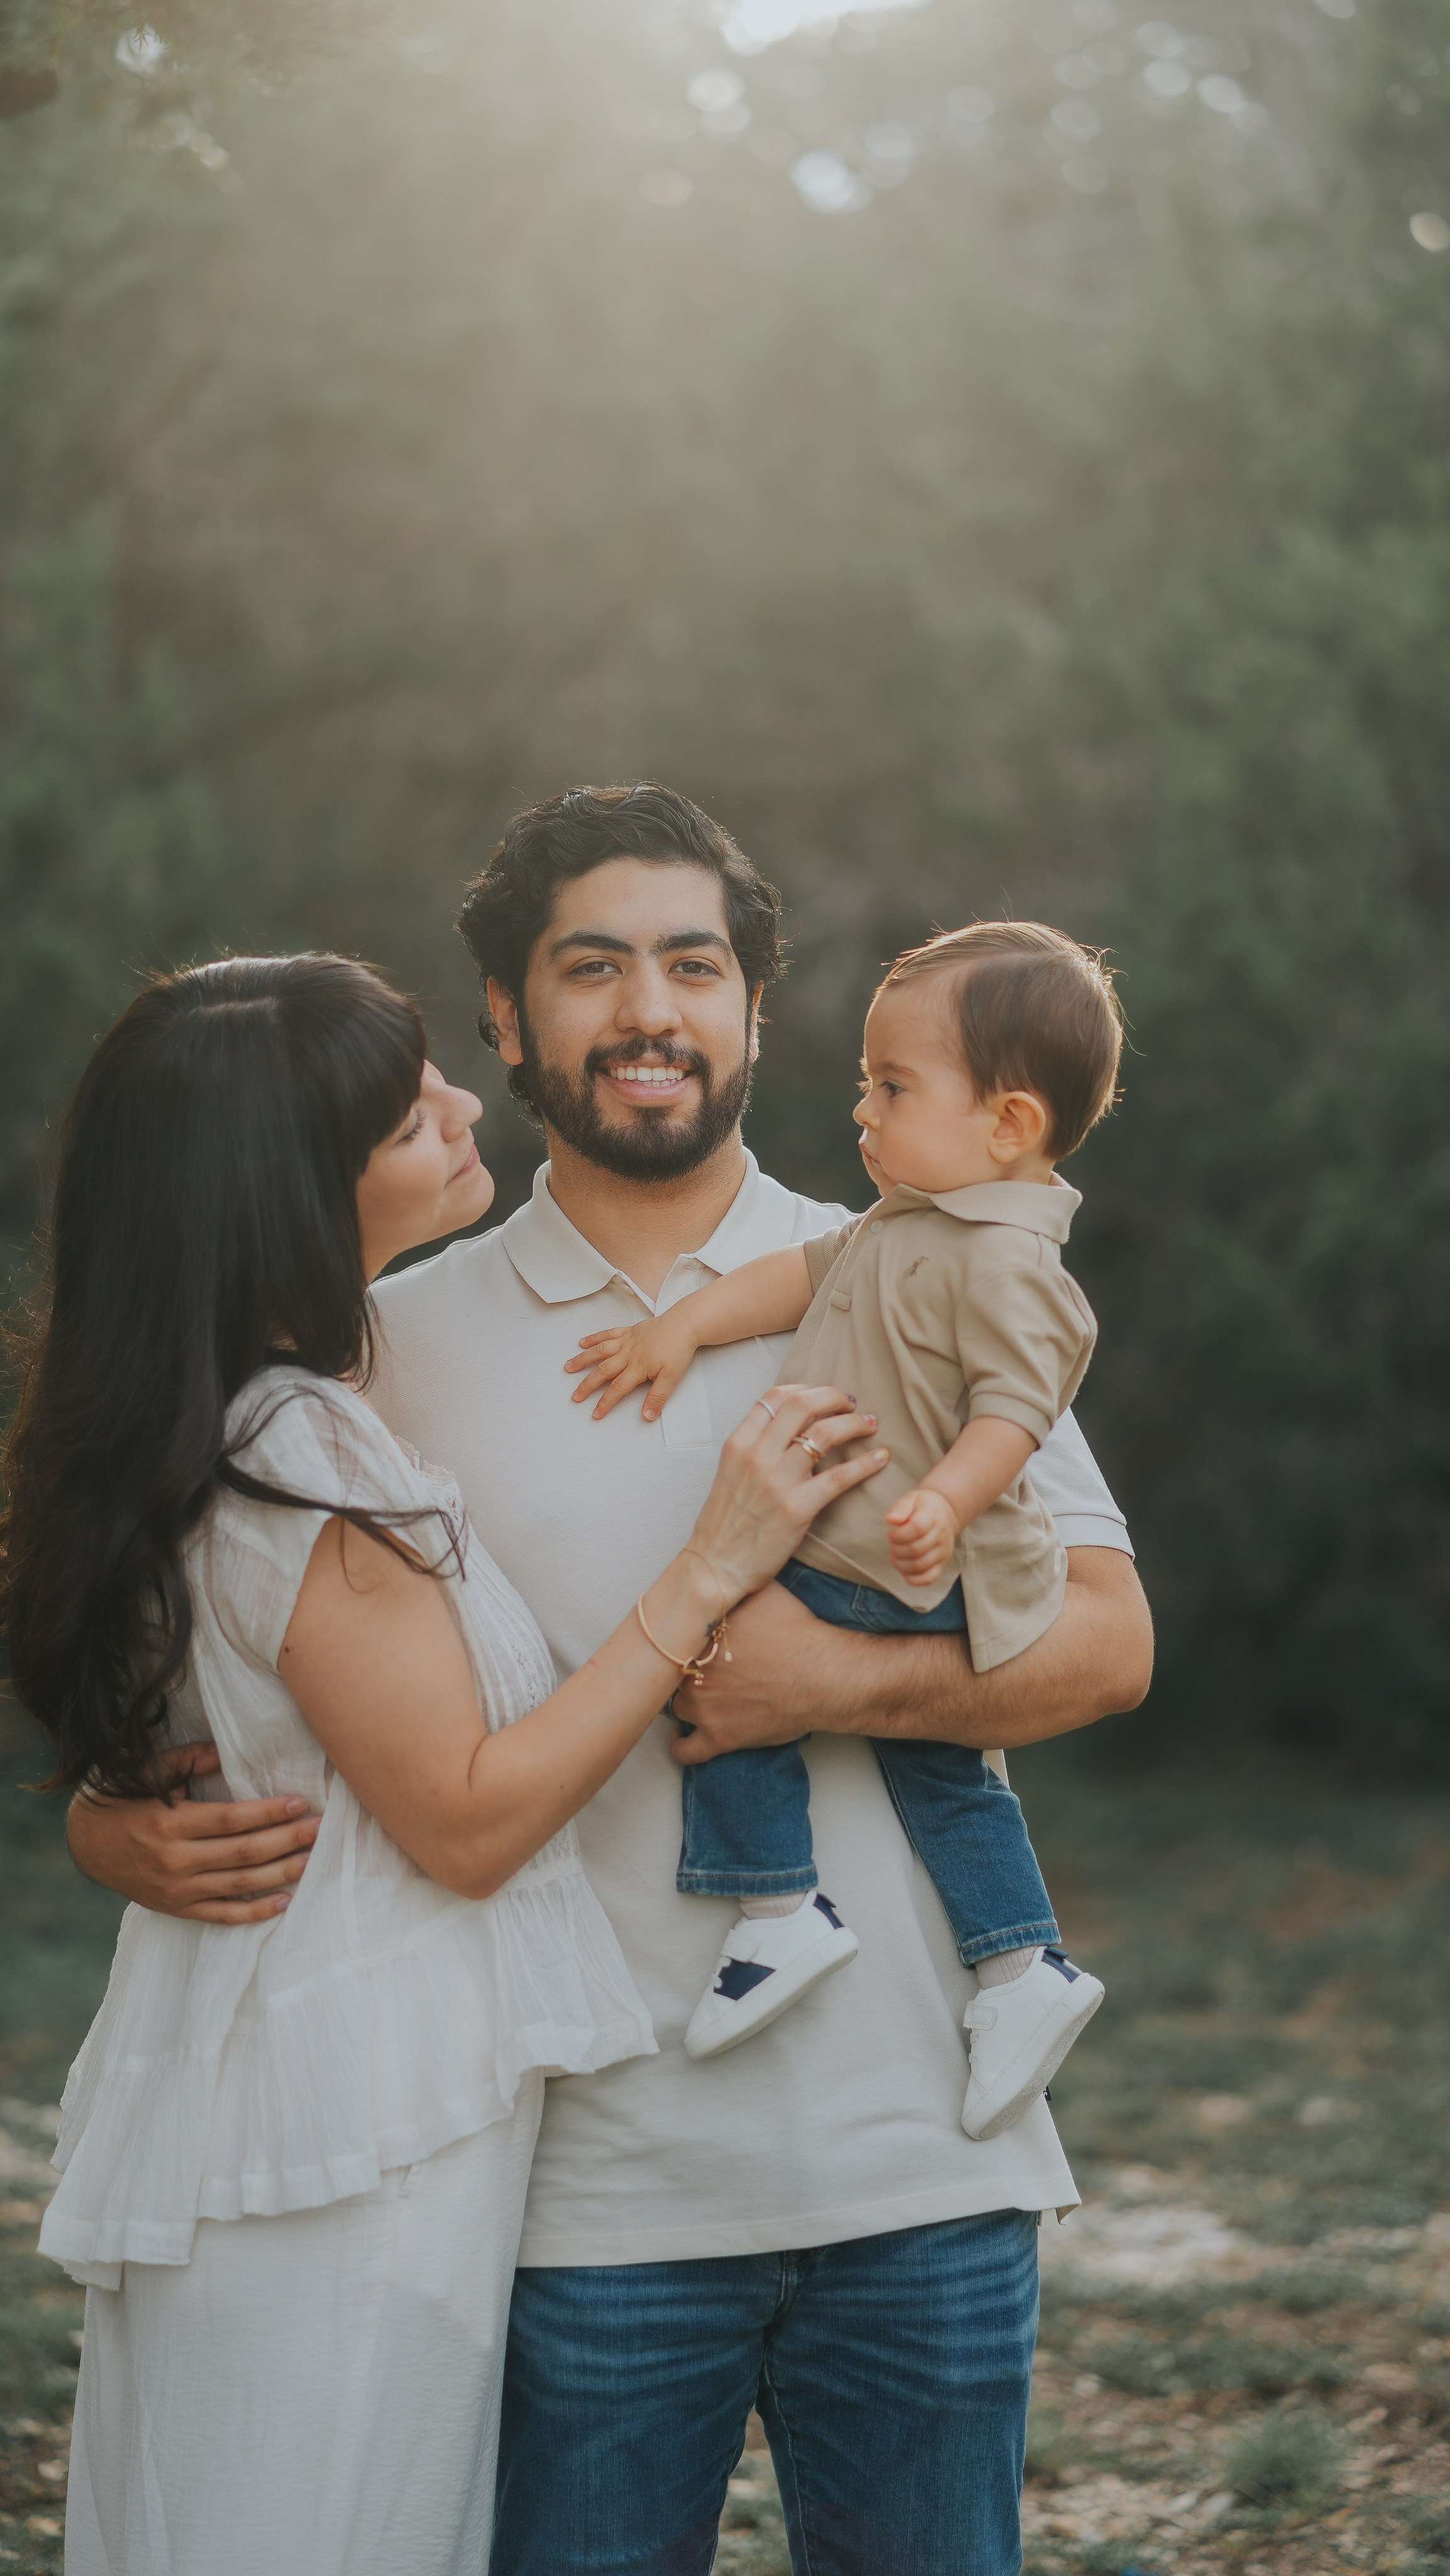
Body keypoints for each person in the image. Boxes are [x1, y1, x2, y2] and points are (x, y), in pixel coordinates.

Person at [67, 786, 1154, 2576]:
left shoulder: (920, 1269)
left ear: (749, 1012)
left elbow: (1108, 1646)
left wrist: (830, 1683)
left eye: (693, 964)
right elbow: (241, 1663)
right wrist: (121, 1827)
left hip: (926, 2168)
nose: (648, 1007)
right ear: (504, 1019)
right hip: (577, 2209)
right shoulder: (379, 1345)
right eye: (591, 967)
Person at [4, 951, 883, 2576]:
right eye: (414, 1113)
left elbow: (228, 1736)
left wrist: (102, 1831)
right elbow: (467, 1820)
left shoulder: (228, 1413)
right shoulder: (302, 1453)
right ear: (292, 1194)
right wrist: (715, 1562)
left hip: (293, 2095)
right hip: (346, 2138)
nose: (468, 1104)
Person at [565, 918, 1118, 2131]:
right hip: (879, 1546)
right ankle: (1021, 1967)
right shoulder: (906, 1226)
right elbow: (800, 1277)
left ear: (1007, 1125)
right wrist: (683, 1329)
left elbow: (1014, 1412)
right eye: (867, 1084)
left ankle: (776, 1907)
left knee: (703, 1647)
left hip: (898, 1553)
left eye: (893, 1087)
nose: (861, 1111)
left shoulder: (1011, 1265)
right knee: (945, 1779)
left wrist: (944, 1500)